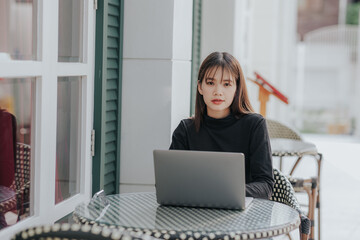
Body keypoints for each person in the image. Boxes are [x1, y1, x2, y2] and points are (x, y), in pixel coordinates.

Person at [169, 52, 274, 199]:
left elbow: (265, 186)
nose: (218, 92)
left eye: (226, 84)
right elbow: (168, 183)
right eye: (210, 83)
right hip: (195, 213)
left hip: (244, 216)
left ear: (237, 88)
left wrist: (222, 193)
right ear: (200, 87)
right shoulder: (185, 130)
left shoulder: (254, 125)